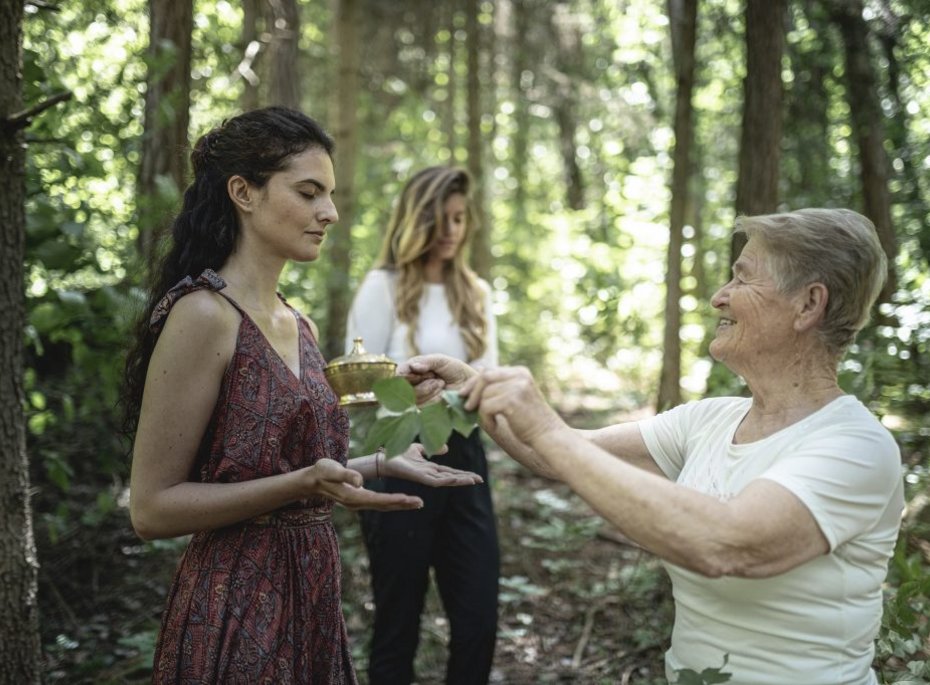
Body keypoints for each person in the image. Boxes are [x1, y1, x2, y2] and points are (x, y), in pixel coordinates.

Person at [399, 208, 904, 685]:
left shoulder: (855, 446)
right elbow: (556, 453)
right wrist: (473, 387)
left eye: (743, 277)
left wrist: (547, 428)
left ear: (809, 305)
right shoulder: (711, 419)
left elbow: (729, 544)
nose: (719, 297)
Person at [121, 108, 483, 684]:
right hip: (236, 604)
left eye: (330, 195)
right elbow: (152, 509)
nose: (330, 213)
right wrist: (304, 483)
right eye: (309, 192)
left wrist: (381, 463)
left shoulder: (300, 324)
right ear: (244, 192)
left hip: (313, 593)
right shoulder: (202, 315)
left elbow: (300, 470)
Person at [345, 166, 500, 684]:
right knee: (398, 617)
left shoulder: (475, 291)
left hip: (465, 455)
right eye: (442, 217)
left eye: (461, 218)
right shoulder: (381, 287)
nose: (453, 229)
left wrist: (462, 388)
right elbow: (354, 385)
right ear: (418, 218)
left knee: (477, 615)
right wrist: (403, 385)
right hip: (397, 458)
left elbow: (488, 379)